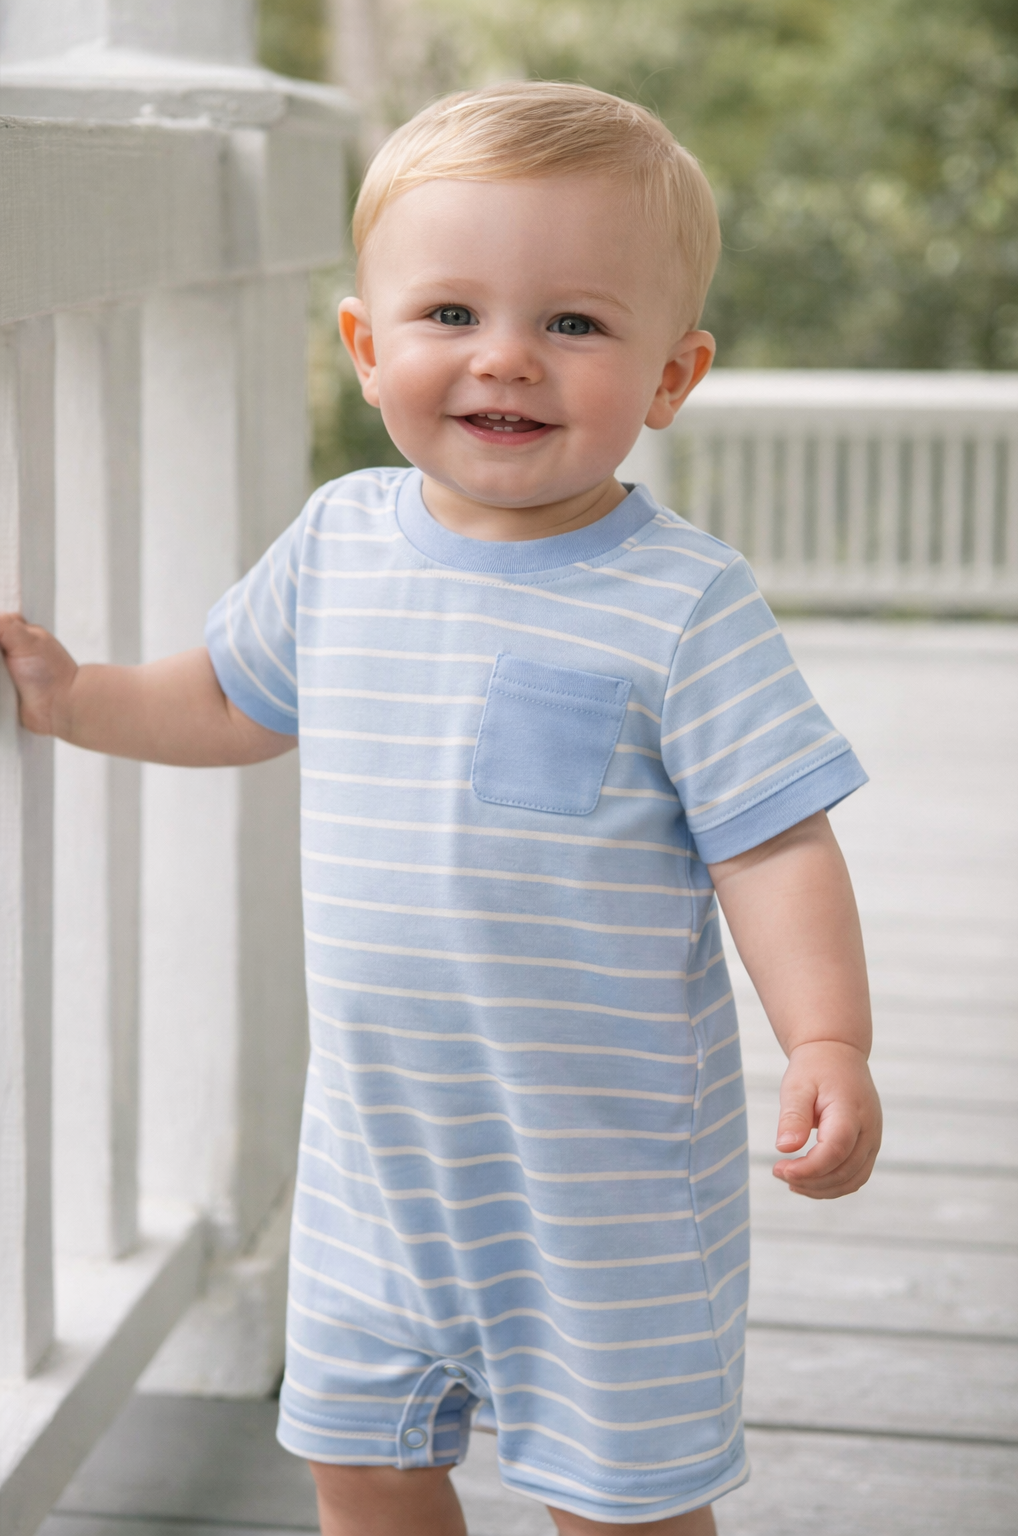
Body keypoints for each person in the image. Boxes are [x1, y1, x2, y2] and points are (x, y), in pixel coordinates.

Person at [0, 81, 881, 1536]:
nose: (508, 362)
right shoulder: (341, 542)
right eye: (452, 316)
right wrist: (80, 694)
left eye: (576, 325)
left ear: (673, 375)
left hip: (604, 1182)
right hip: (376, 1163)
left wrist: (829, 1037)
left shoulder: (682, 603)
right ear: (365, 345)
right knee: (364, 1460)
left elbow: (772, 837)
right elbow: (231, 697)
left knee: (621, 1498)